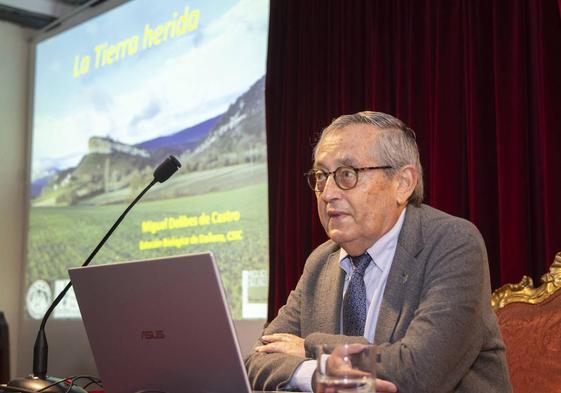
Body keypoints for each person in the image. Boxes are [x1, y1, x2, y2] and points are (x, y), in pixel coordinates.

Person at [244, 111, 512, 392]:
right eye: (322, 176)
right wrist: (319, 376)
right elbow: (257, 359)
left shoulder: (452, 244)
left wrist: (312, 347)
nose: (327, 193)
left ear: (403, 183)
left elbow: (417, 370)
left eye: (347, 174)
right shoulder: (320, 262)